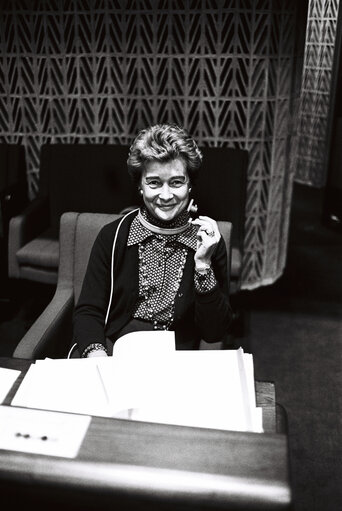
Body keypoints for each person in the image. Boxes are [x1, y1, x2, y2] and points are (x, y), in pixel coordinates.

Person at [72, 123, 232, 358]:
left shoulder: (207, 242)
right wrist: (98, 354)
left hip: (175, 359)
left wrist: (203, 266)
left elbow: (214, 332)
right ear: (140, 185)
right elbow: (88, 311)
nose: (165, 196)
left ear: (190, 185)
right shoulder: (113, 236)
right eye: (154, 183)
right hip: (116, 350)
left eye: (176, 182)